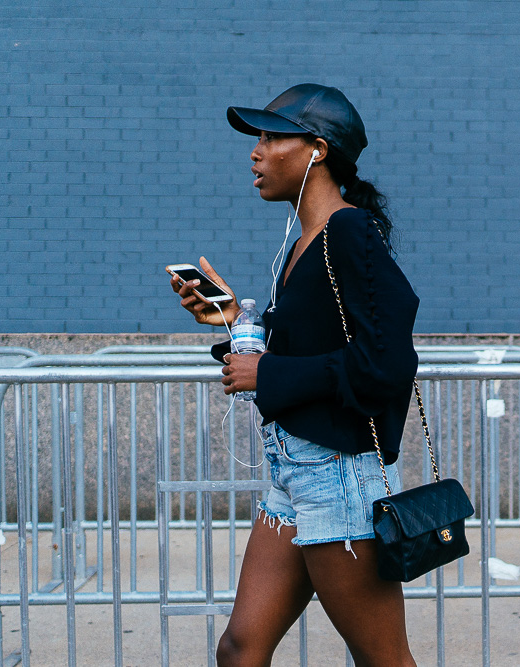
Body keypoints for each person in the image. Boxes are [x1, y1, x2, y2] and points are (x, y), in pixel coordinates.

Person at [170, 83, 420, 666]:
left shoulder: (350, 234)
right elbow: (309, 346)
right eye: (256, 139)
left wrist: (270, 376)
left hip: (337, 477)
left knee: (384, 659)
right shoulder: (303, 240)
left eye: (271, 137)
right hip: (293, 473)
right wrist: (233, 320)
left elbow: (387, 364)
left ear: (317, 149)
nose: (256, 153)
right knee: (240, 648)